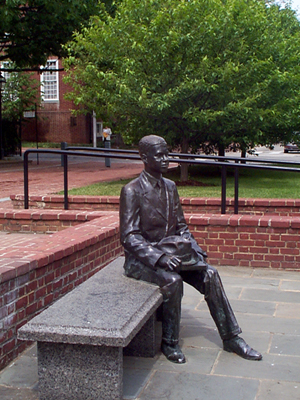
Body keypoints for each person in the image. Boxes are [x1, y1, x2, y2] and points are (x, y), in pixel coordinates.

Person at [119, 135, 262, 364]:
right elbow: (129, 237)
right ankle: (170, 342)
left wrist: (195, 250)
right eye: (159, 155)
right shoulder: (132, 191)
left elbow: (182, 226)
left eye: (167, 153)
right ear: (144, 158)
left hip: (175, 253)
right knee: (172, 281)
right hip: (143, 259)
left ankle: (231, 337)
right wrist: (160, 258)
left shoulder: (170, 187)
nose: (166, 159)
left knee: (210, 274)